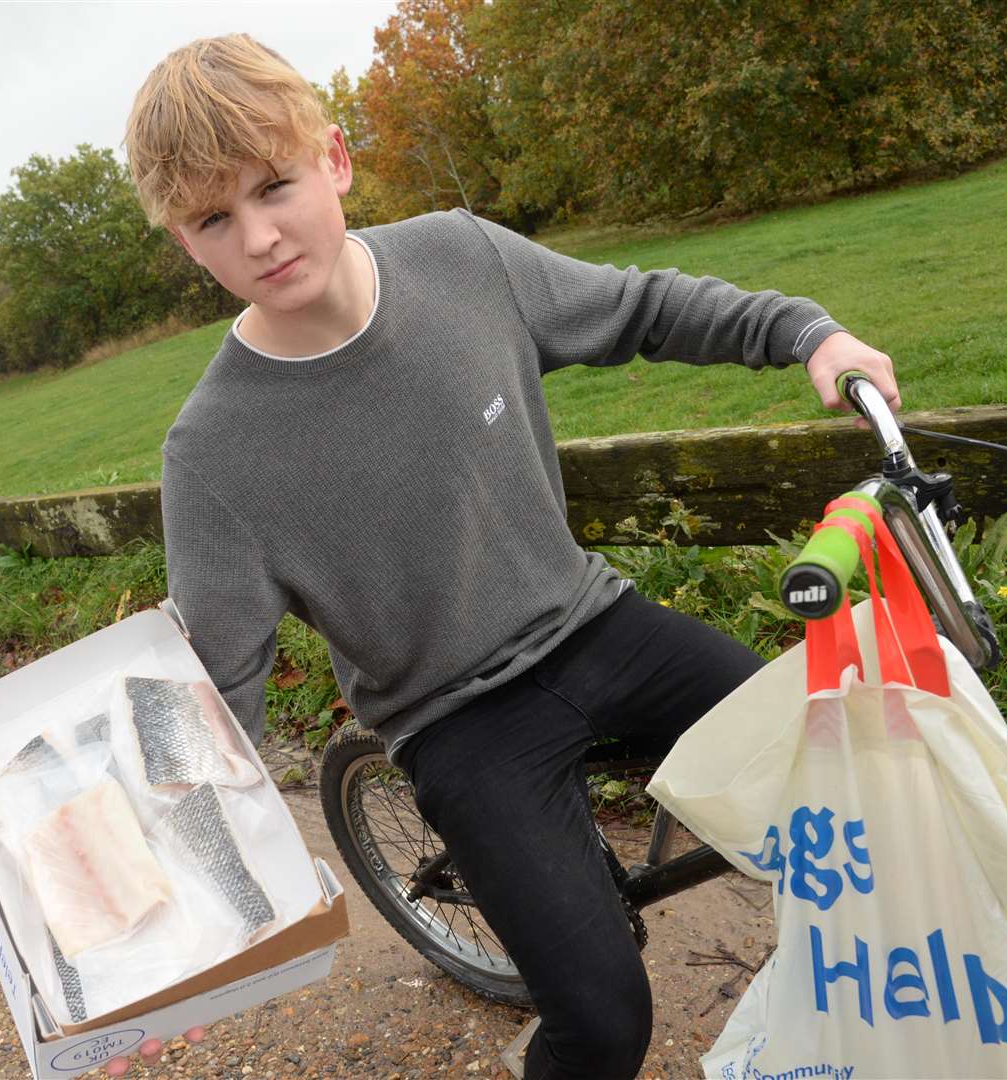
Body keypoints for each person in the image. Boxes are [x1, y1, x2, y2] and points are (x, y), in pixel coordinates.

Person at [109, 32, 902, 1080]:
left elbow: (643, 306)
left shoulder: (460, 258)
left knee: (858, 792)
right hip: (455, 722)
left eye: (274, 185)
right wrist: (159, 958)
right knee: (603, 1020)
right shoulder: (211, 454)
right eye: (214, 217)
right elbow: (212, 704)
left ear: (334, 160)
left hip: (596, 625)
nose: (258, 235)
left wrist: (808, 336)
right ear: (186, 242)